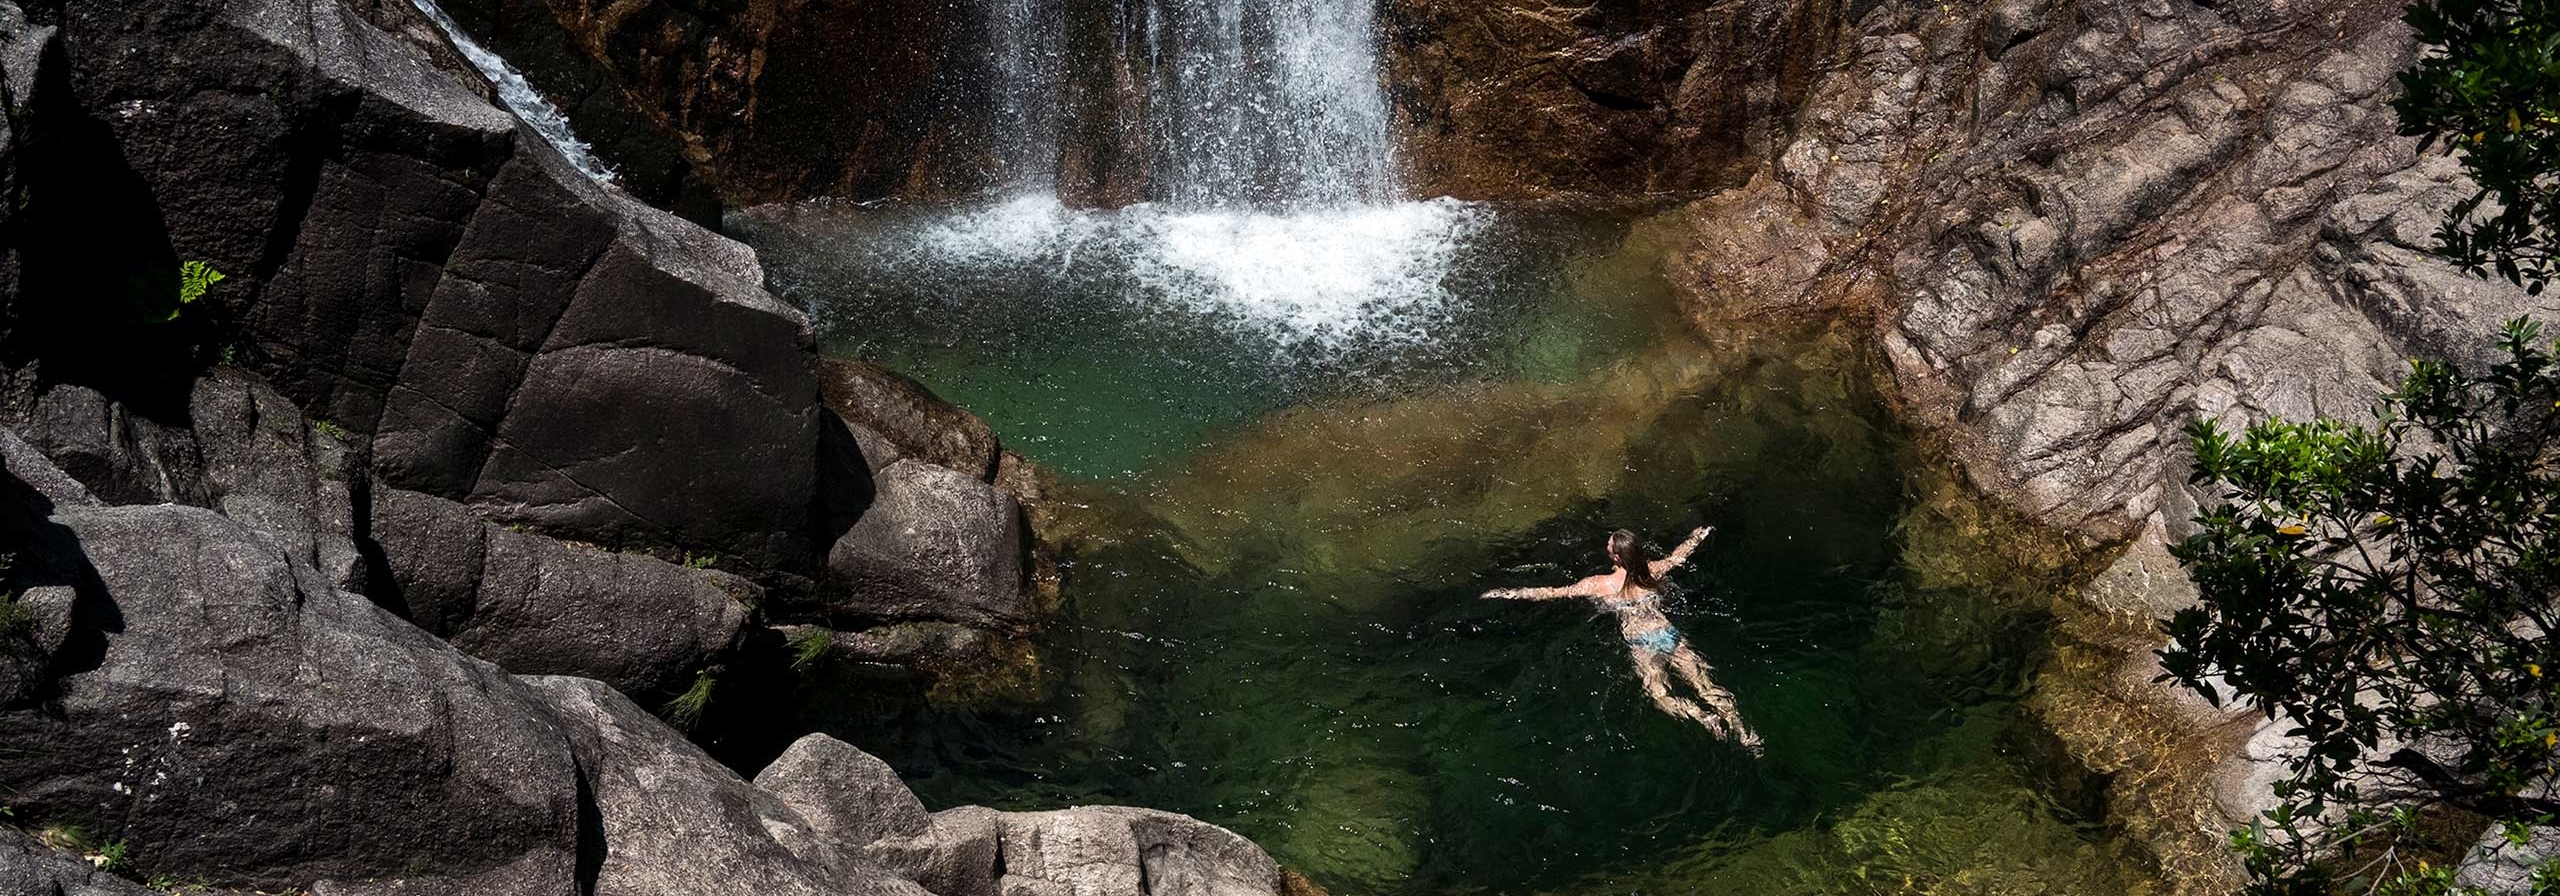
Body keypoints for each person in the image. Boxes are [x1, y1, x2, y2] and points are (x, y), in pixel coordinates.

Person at [1481, 527, 1762, 755]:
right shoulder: (1651, 571)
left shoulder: (1599, 584)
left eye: (1608, 548)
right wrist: (1695, 537)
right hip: (1668, 634)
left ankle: (1702, 717)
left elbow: (1554, 592)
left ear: (1616, 558)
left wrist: (1510, 593)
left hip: (1642, 644)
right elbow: (1679, 558)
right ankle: (1745, 733)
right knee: (1708, 686)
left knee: (1660, 697)